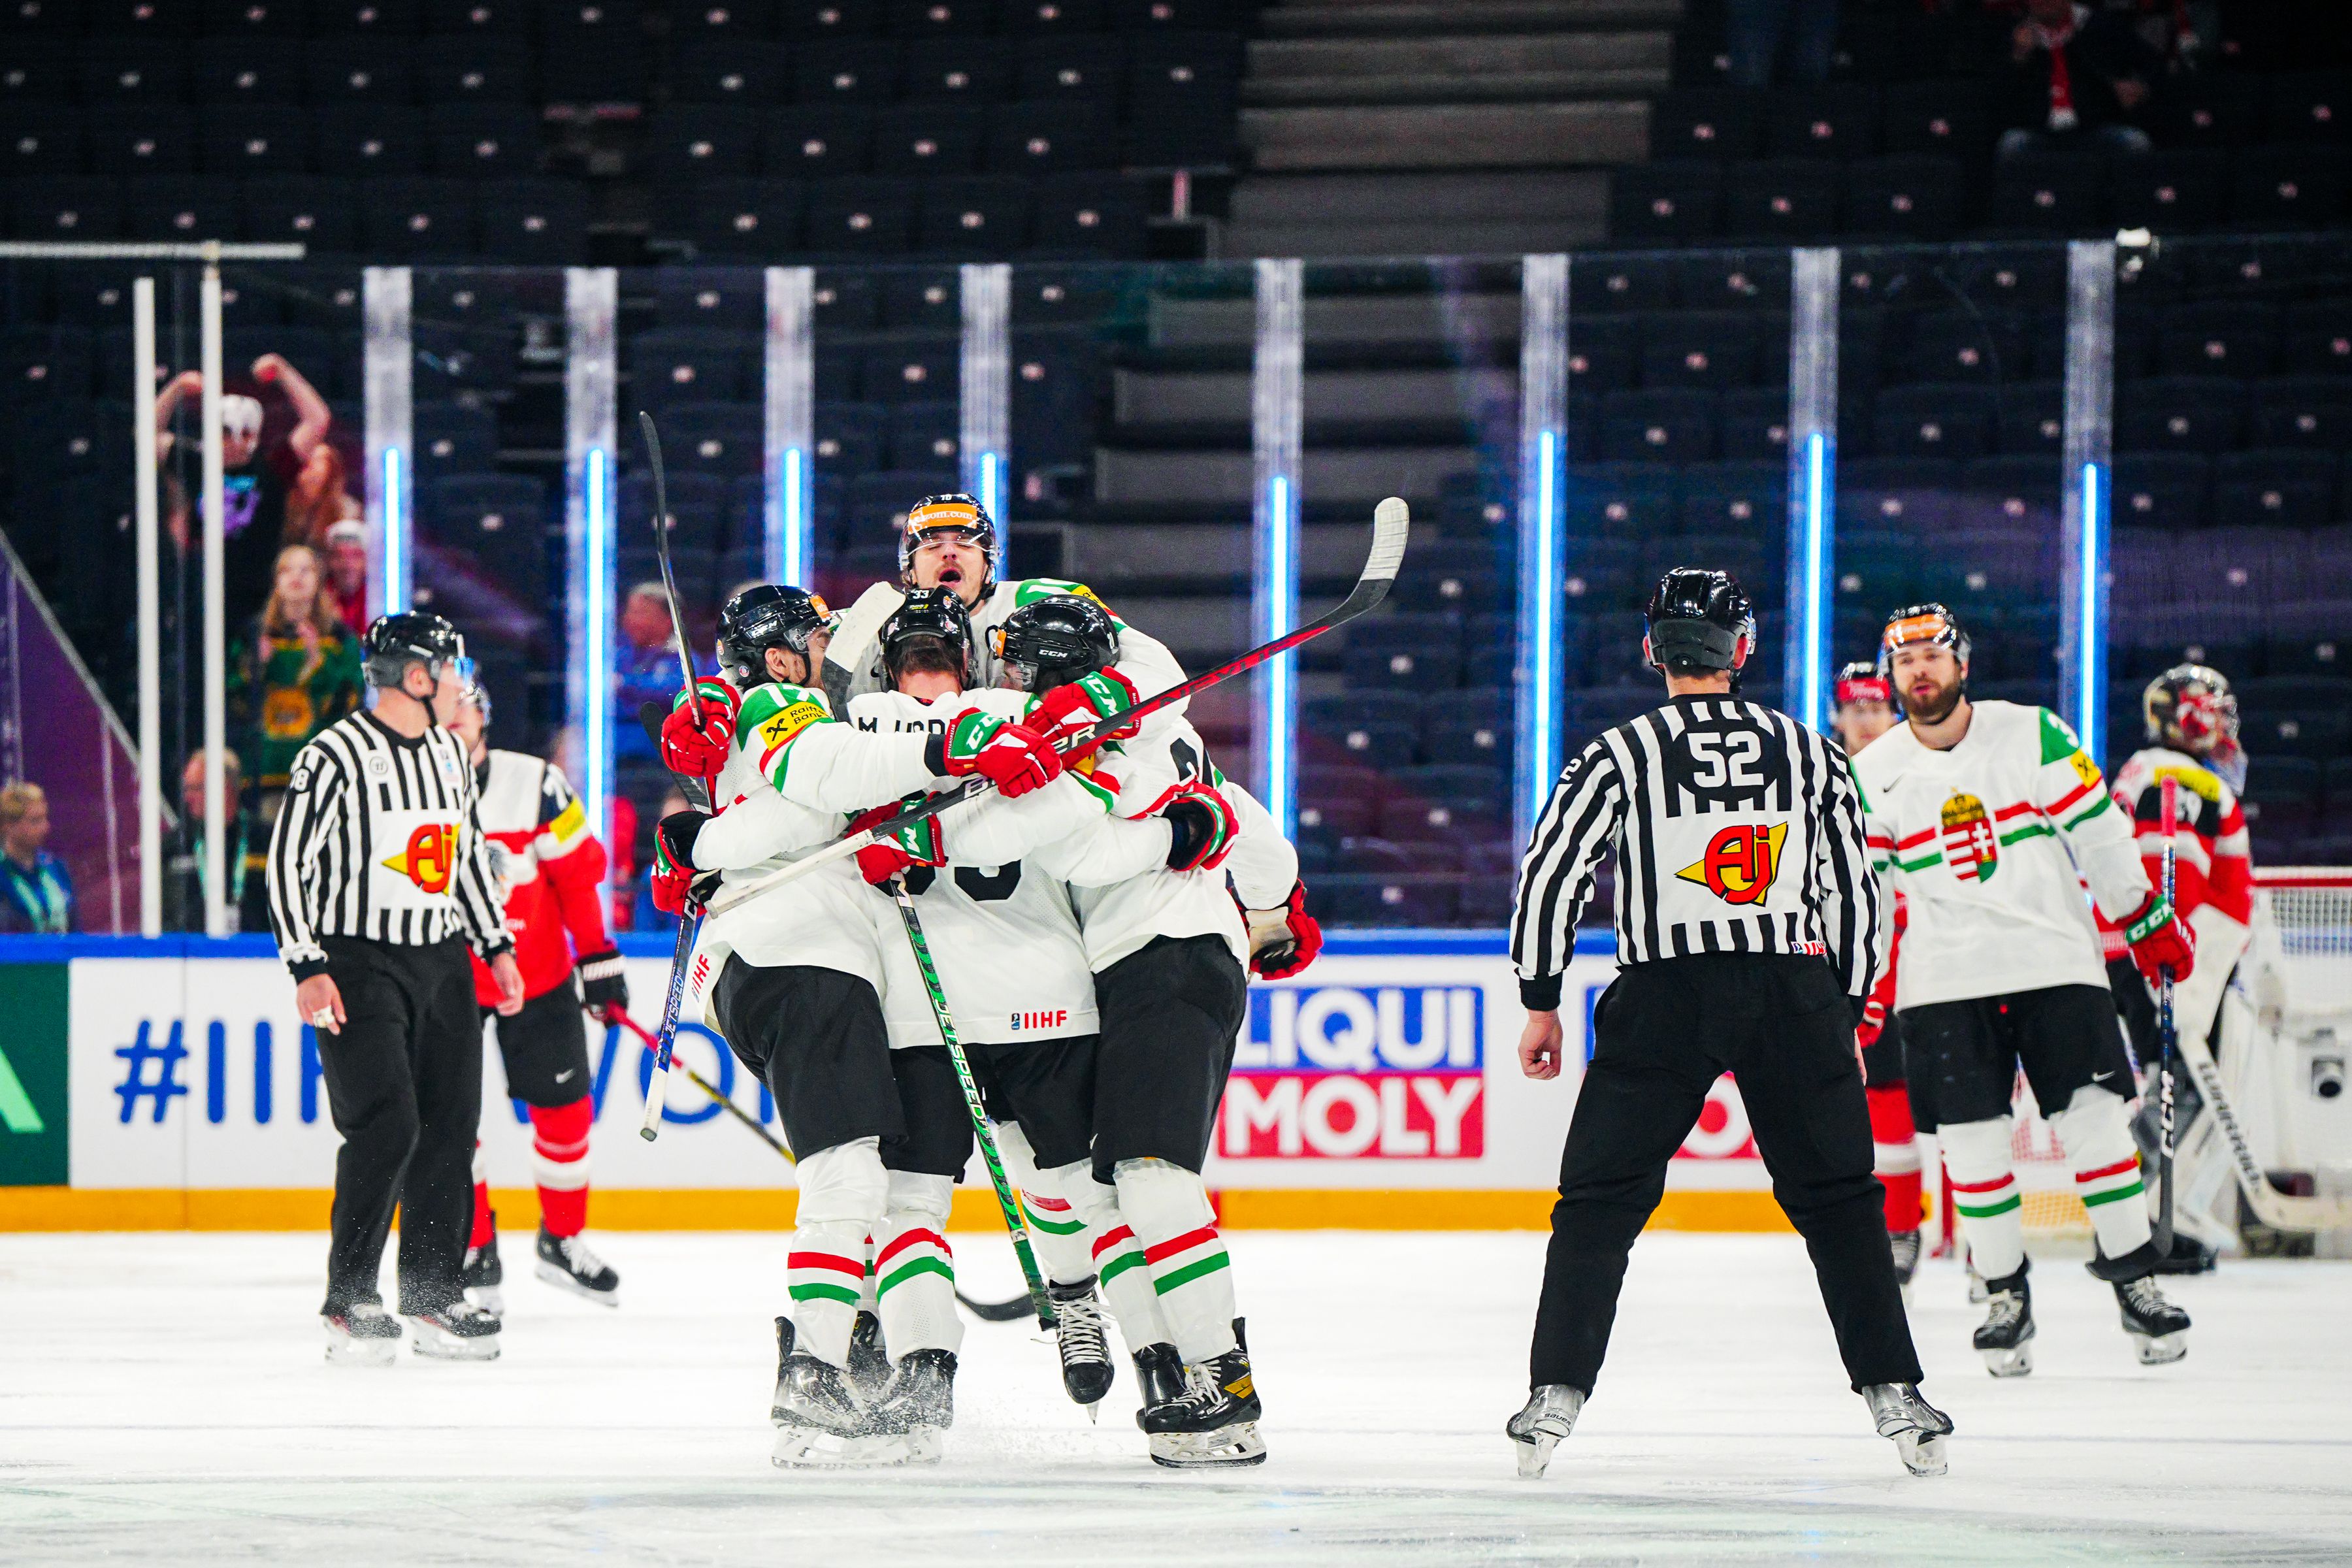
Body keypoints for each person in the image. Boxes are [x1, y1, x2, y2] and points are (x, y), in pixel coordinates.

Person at [1505, 569, 1946, 1480]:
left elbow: (1551, 873)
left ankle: (1554, 1394)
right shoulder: (1811, 750)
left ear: (1652, 651)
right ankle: (1896, 1393)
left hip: (1663, 996)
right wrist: (1854, 1005)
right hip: (1790, 992)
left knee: (1600, 1203)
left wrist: (1540, 995)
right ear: (1741, 651)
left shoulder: (1618, 753)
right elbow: (1855, 890)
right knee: (1840, 1203)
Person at [644, 582, 1058, 1467]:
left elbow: (772, 809)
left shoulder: (775, 711)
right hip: (799, 955)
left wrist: (700, 842)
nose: (830, 653)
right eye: (816, 640)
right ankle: (812, 1372)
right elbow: (820, 787)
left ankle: (860, 1369)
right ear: (783, 651)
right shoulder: (781, 703)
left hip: (785, 962)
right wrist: (951, 743)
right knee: (846, 1179)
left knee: (864, 1178)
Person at [828, 587, 1220, 1465]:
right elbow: (1126, 740)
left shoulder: (851, 734)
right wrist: (1113, 723)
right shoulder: (1023, 713)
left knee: (911, 1205)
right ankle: (1157, 1360)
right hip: (1048, 998)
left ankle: (922, 1390)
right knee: (1089, 1196)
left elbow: (796, 802)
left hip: (922, 1012)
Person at [985, 593, 1313, 1466]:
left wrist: (1177, 832)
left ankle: (1224, 1378)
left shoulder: (1094, 750)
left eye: (1022, 668)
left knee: (1151, 1177)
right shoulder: (1163, 722)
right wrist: (1273, 909)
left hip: (1159, 963)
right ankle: (1224, 1403)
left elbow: (1084, 857)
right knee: (1133, 1185)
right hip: (1180, 963)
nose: (1013, 682)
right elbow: (1249, 818)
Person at [1851, 603, 2197, 1377]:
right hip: (1942, 983)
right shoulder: (1871, 774)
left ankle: (2136, 1285)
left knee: (2097, 1127)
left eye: (1932, 656)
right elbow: (1866, 899)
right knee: (1973, 1146)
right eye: (1904, 661)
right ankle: (2005, 1296)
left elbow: (2101, 833)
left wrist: (2142, 916)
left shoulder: (2034, 732)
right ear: (1892, 674)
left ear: (1961, 663)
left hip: (2055, 965)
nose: (1919, 671)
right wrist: (1859, 989)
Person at [265, 612, 525, 1365]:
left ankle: (432, 1293)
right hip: (354, 962)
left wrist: (495, 945)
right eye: (451, 670)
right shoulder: (335, 755)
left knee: (450, 1125)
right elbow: (289, 864)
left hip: (441, 958)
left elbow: (466, 859)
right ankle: (349, 1297)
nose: (460, 685)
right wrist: (306, 964)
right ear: (416, 677)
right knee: (386, 1126)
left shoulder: (449, 751)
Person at [448, 675, 629, 1311]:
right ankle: (473, 1245)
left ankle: (562, 1238)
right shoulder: (403, 794)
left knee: (566, 1109)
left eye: (465, 706)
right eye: (441, 707)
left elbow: (579, 880)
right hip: (446, 983)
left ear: (484, 717)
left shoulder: (536, 783)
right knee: (449, 1122)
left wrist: (599, 958)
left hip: (539, 973)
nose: (452, 718)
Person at [2106, 664, 2255, 1267]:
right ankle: (2135, 1221)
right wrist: (2174, 959)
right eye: (2212, 711)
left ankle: (2138, 1217)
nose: (2222, 725)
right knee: (2180, 1087)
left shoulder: (2162, 770)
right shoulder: (2178, 776)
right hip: (2168, 956)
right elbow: (2171, 875)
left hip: (2157, 953)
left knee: (2177, 1086)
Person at [819, 494, 1189, 733]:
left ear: (987, 563)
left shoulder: (1045, 600)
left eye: (965, 543)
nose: (950, 553)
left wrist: (1083, 702)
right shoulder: (862, 622)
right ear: (909, 569)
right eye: (932, 546)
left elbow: (1161, 673)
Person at [1831, 661, 1926, 1294]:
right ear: (1839, 716)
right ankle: (1876, 1232)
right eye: (1855, 708)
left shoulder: (1922, 771)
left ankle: (1909, 1231)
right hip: (1849, 962)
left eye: (1876, 706)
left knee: (1918, 1105)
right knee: (1860, 1102)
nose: (1867, 718)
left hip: (1925, 963)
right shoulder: (1819, 776)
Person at [156, 353, 333, 629]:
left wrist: (283, 372)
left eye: (246, 432)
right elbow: (147, 436)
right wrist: (176, 389)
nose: (235, 441)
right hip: (201, 589)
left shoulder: (272, 468)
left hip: (257, 594)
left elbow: (318, 420)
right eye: (225, 431)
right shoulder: (195, 462)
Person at [229, 543, 364, 856]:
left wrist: (317, 663)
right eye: (287, 569)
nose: (296, 578)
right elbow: (232, 701)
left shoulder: (339, 639)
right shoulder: (254, 635)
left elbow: (350, 703)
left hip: (321, 775)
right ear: (276, 581)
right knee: (269, 863)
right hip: (265, 775)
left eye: (306, 570)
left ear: (319, 580)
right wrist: (255, 668)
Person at [1997, 0, 2163, 160]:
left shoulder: (2098, 26)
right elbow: (1999, 98)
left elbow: (2152, 64)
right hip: (2040, 133)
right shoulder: (2015, 33)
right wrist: (2019, 57)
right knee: (2011, 144)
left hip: (2095, 129)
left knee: (2135, 142)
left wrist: (2140, 88)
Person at [162, 747, 269, 935]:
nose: (187, 797)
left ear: (224, 787)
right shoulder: (176, 844)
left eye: (195, 788)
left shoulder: (267, 841)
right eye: (186, 788)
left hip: (257, 957)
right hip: (194, 957)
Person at [0, 781, 73, 934]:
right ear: (8, 826)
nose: (45, 827)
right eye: (35, 821)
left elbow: (75, 929)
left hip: (62, 955)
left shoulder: (57, 869)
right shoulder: (3, 875)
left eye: (45, 818)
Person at [286, 440, 363, 546]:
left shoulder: (347, 509)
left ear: (332, 469)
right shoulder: (286, 505)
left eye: (318, 459)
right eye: (306, 460)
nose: (310, 465)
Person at [321, 518, 370, 638]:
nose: (347, 564)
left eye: (355, 556)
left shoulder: (378, 600)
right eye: (339, 556)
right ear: (329, 561)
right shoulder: (319, 600)